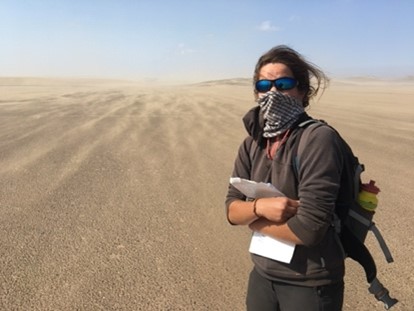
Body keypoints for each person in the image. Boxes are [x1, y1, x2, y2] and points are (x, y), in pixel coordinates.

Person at [225, 45, 345, 311]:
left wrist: (255, 223)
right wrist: (259, 207)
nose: (273, 93)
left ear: (302, 91)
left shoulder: (317, 139)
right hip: (263, 275)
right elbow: (231, 209)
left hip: (309, 283)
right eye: (264, 85)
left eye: (284, 83)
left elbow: (310, 229)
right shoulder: (253, 143)